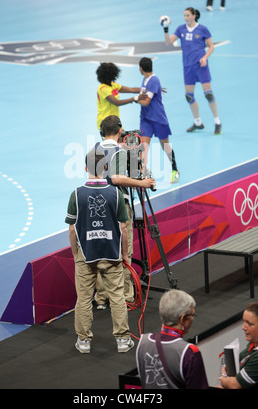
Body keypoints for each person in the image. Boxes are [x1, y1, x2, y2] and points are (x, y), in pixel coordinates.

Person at [65, 149, 134, 354]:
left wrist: (75, 252)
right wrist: (124, 254)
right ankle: (123, 340)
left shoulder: (76, 194)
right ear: (105, 168)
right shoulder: (116, 193)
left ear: (86, 168)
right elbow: (123, 227)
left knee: (84, 298)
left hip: (86, 255)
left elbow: (71, 228)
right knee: (117, 296)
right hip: (112, 254)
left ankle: (84, 342)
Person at [94, 115, 156, 309]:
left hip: (97, 204)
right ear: (120, 131)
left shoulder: (94, 149)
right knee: (124, 251)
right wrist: (142, 182)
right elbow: (118, 178)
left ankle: (101, 297)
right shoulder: (119, 152)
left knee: (103, 249)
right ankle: (125, 297)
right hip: (118, 204)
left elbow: (93, 177)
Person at [160, 7, 222, 135]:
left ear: (194, 16)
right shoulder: (181, 29)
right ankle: (197, 122)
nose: (185, 17)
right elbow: (168, 42)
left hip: (201, 65)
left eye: (187, 15)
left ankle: (217, 122)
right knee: (189, 96)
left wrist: (205, 57)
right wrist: (165, 29)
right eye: (184, 15)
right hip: (188, 66)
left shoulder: (202, 29)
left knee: (208, 94)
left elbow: (211, 46)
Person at [136, 289, 209, 389]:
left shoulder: (143, 342)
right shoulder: (189, 352)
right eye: (192, 315)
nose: (193, 319)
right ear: (183, 318)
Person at [137, 57, 180, 184]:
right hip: (146, 120)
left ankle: (174, 169)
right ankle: (142, 174)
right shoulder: (146, 80)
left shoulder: (154, 80)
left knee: (165, 146)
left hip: (158, 119)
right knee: (143, 147)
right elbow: (146, 92)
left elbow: (145, 102)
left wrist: (135, 99)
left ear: (141, 68)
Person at [219, 302, 258, 389]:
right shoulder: (253, 344)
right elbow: (230, 368)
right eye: (244, 321)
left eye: (249, 324)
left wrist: (223, 378)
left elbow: (235, 385)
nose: (243, 327)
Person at [96, 62, 146, 131]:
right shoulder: (103, 89)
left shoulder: (114, 85)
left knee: (123, 140)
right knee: (114, 141)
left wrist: (150, 89)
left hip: (115, 121)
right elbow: (117, 102)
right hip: (106, 123)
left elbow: (132, 90)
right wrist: (135, 98)